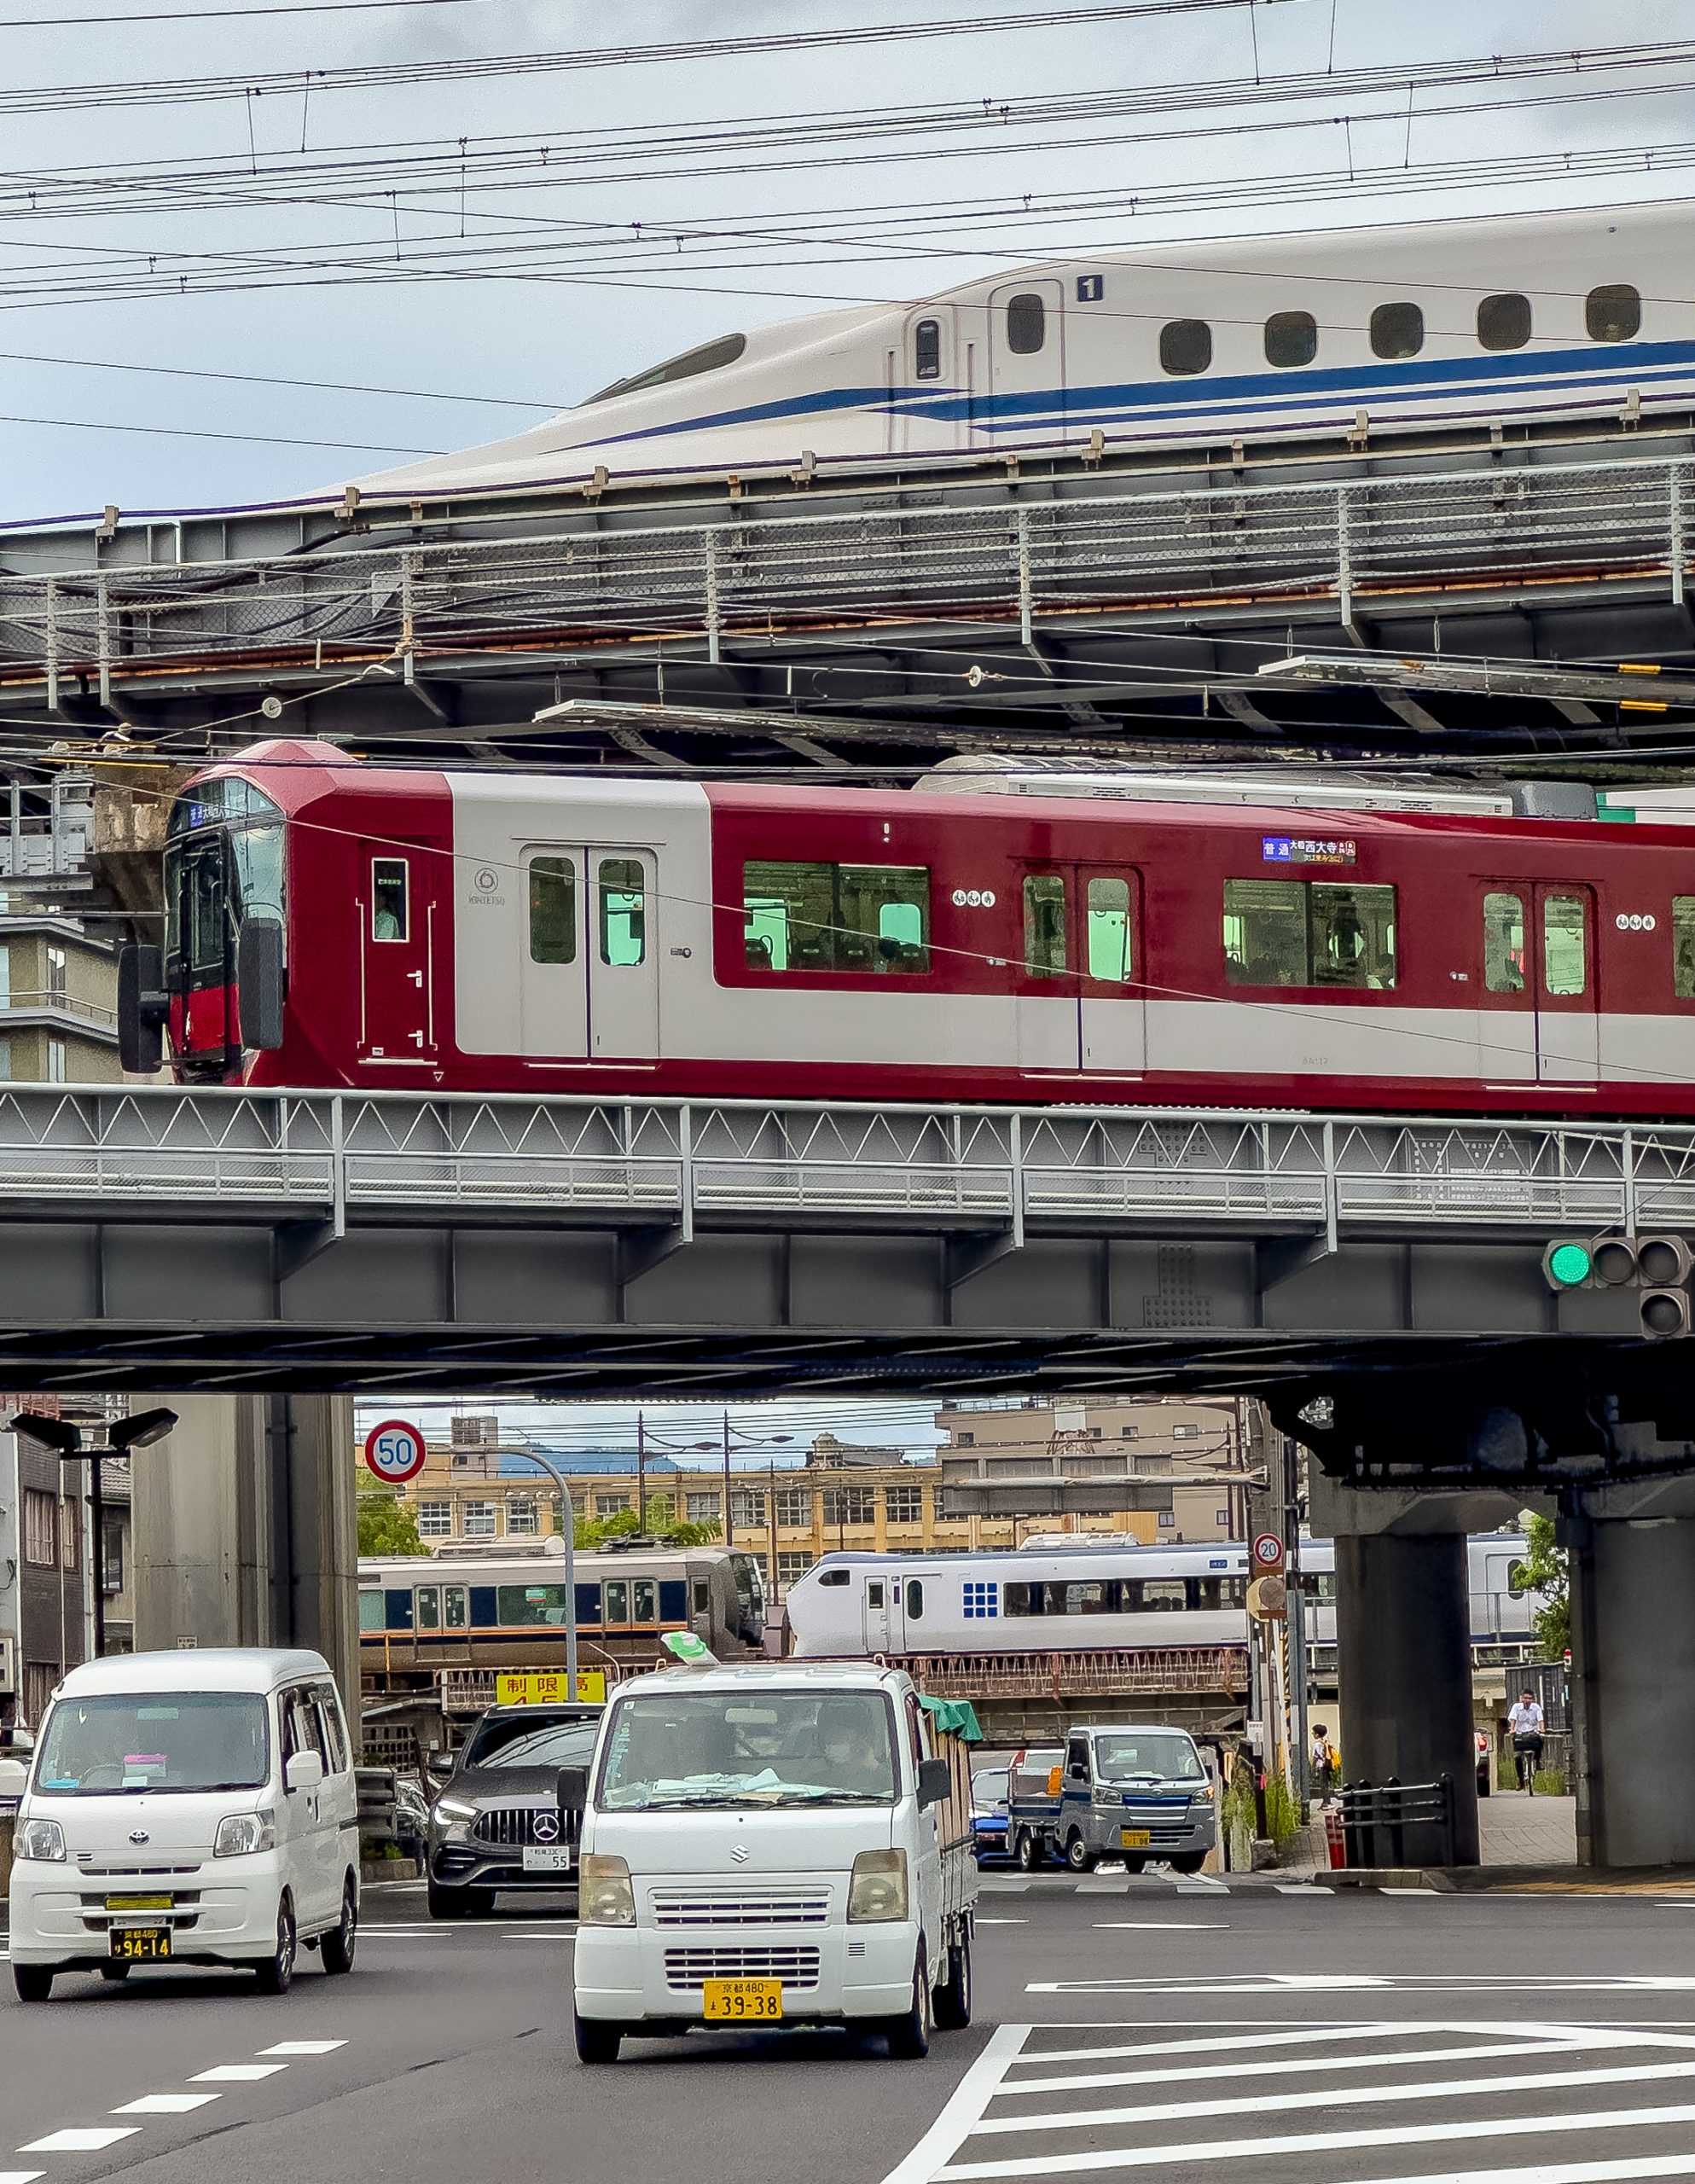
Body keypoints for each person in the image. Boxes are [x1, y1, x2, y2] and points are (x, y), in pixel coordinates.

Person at [1506, 1687, 1545, 1790]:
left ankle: (1537, 1761)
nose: (1527, 1701)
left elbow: (1541, 1720)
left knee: (1540, 1741)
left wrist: (1542, 1729)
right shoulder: (1516, 1707)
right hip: (1520, 1734)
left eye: (1530, 1698)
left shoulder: (1536, 1707)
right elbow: (1513, 1720)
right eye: (1525, 1698)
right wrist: (1512, 1729)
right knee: (1517, 1757)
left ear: (1532, 1699)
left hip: (1532, 1734)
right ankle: (1521, 1780)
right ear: (1522, 1699)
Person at [1309, 1722, 1338, 1792]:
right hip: (1327, 1765)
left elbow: (1315, 1757)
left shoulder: (1317, 1744)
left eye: (1313, 1733)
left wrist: (1313, 1767)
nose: (1312, 1734)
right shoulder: (1325, 1742)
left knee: (1322, 1784)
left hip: (1321, 1766)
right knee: (1326, 1783)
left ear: (1317, 1734)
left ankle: (1325, 1801)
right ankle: (1327, 1800)